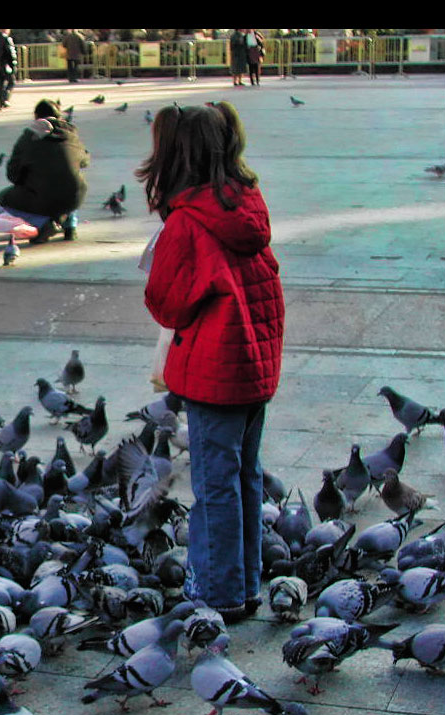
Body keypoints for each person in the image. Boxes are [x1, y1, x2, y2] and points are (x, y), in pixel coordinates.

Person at [136, 101, 284, 623]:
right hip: (255, 369)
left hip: (214, 374)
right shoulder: (246, 205)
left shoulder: (188, 223)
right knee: (245, 478)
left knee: (215, 486)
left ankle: (218, 592)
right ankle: (245, 585)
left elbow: (168, 303)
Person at [0, 99, 89, 243]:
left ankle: (44, 224)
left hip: (43, 198)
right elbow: (85, 161)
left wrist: (27, 181)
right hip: (74, 197)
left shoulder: (28, 138)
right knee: (69, 180)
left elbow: (13, 174)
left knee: (4, 198)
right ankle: (70, 225)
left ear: (36, 117)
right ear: (59, 116)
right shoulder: (71, 135)